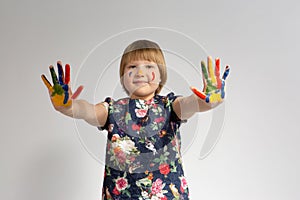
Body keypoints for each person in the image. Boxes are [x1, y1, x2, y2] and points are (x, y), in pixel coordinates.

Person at [41, 39, 230, 200]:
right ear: (123, 76)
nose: (140, 73)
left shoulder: (170, 106)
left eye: (149, 66)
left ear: (161, 74)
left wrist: (209, 100)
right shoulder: (113, 110)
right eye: (132, 67)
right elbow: (87, 111)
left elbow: (191, 104)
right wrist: (68, 106)